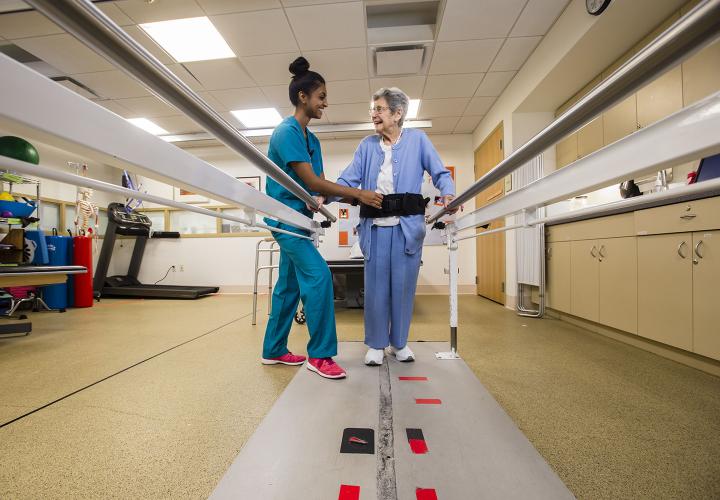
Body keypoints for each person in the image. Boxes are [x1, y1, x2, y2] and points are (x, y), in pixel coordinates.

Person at [261, 57, 383, 379]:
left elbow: (322, 188)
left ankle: (273, 349)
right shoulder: (286, 132)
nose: (325, 104)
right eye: (321, 97)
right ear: (303, 97)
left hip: (301, 220)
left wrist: (358, 196)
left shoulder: (311, 140)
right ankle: (320, 355)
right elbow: (312, 183)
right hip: (285, 218)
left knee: (288, 287)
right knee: (319, 276)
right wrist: (358, 194)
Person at [335, 87, 457, 366]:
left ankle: (399, 343)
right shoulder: (367, 145)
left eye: (379, 109)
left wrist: (448, 193)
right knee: (376, 290)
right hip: (375, 228)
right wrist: (322, 195)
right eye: (373, 109)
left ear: (397, 113)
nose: (373, 114)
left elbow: (439, 171)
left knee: (403, 289)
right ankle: (376, 345)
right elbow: (347, 179)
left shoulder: (417, 140)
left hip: (406, 229)